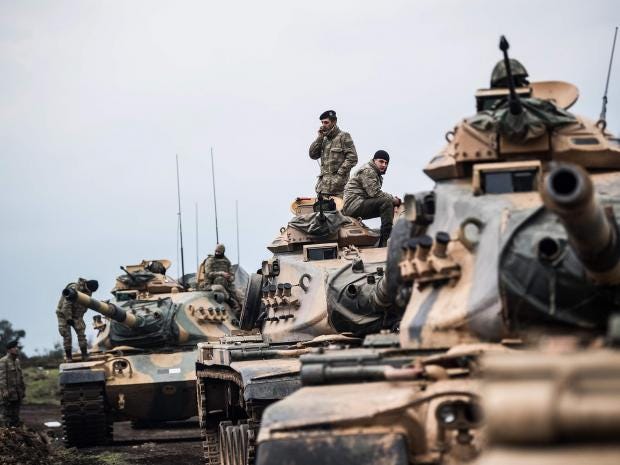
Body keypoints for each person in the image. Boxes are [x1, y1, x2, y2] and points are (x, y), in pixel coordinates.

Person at [343, 150, 401, 247]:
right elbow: (375, 193)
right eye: (381, 161)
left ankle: (386, 239)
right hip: (353, 205)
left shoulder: (375, 172)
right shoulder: (368, 170)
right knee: (387, 202)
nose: (384, 165)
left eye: (386, 163)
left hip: (357, 203)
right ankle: (384, 243)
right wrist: (393, 199)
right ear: (374, 161)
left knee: (387, 205)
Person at [309, 110, 358, 198]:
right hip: (323, 189)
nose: (323, 125)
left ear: (334, 122)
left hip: (339, 190)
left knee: (339, 208)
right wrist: (319, 138)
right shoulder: (323, 139)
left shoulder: (344, 136)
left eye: (326, 122)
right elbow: (313, 155)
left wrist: (339, 175)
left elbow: (353, 158)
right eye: (322, 122)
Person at [56, 278, 99, 362]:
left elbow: (85, 304)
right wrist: (69, 318)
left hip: (77, 315)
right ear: (88, 286)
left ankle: (84, 355)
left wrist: (79, 317)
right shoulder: (74, 288)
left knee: (81, 334)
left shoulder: (88, 291)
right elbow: (66, 306)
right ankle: (69, 357)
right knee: (67, 336)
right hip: (63, 314)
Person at [202, 244, 241, 313]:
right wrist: (221, 273)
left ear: (223, 252)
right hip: (211, 284)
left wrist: (229, 277)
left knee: (240, 294)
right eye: (216, 251)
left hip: (227, 284)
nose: (217, 253)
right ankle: (231, 301)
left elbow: (232, 276)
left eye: (219, 252)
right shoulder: (210, 260)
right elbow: (208, 274)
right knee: (219, 285)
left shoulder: (227, 261)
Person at [0, 340, 25, 427]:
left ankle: (14, 431)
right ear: (9, 350)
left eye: (17, 347)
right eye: (14, 347)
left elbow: (20, 376)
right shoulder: (3, 361)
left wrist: (23, 389)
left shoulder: (17, 361)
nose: (16, 349)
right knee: (5, 415)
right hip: (8, 394)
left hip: (17, 393)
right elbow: (2, 377)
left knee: (15, 416)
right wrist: (4, 390)